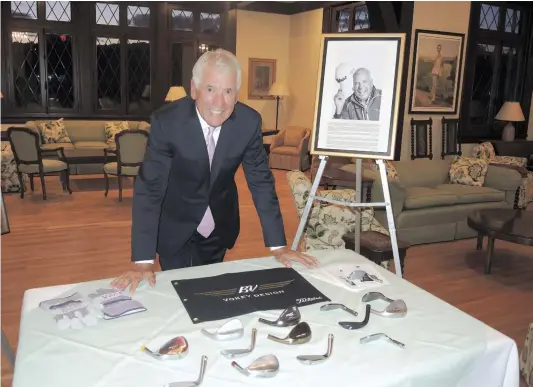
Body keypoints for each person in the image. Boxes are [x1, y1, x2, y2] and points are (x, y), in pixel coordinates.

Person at [111, 49, 318, 294]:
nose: (219, 103)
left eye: (228, 91)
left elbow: (261, 182)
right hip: (175, 225)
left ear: (236, 94)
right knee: (178, 294)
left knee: (212, 291)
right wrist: (143, 261)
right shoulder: (168, 122)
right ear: (194, 89)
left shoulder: (248, 122)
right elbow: (150, 189)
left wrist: (278, 246)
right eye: (210, 89)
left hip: (219, 226)